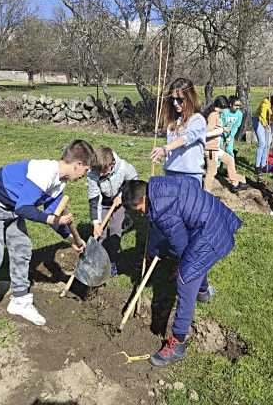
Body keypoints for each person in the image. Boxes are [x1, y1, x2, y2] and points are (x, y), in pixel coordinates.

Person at [0, 140, 96, 338]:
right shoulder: (44, 173)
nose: (84, 176)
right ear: (77, 164)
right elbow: (25, 209)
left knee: (22, 249)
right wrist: (53, 218)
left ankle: (20, 301)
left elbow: (53, 214)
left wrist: (71, 239)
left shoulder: (59, 182)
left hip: (11, 207)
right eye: (85, 171)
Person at [122, 177, 242, 367]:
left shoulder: (162, 210)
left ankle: (177, 343)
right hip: (213, 215)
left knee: (186, 278)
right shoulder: (160, 186)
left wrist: (180, 267)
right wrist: (153, 252)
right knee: (196, 263)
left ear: (143, 200)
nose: (142, 214)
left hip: (210, 231)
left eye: (140, 210)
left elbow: (181, 244)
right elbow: (162, 229)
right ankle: (203, 293)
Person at [87, 147, 138, 276]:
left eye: (102, 172)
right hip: (103, 202)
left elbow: (133, 182)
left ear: (111, 165)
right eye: (97, 172)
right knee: (101, 234)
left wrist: (121, 196)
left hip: (119, 202)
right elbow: (94, 200)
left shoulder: (124, 167)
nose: (100, 175)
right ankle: (101, 262)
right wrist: (96, 223)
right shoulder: (93, 173)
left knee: (115, 230)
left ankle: (112, 261)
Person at [150, 77, 207, 185]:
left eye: (180, 99)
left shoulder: (198, 119)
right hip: (170, 173)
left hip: (190, 177)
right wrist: (161, 154)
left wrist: (165, 149)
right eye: (173, 99)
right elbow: (173, 147)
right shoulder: (173, 122)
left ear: (190, 98)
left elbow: (186, 138)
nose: (175, 103)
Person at [203, 96, 247, 193]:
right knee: (212, 172)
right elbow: (206, 134)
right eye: (224, 108)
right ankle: (206, 192)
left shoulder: (217, 114)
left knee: (230, 160)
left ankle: (235, 183)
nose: (225, 110)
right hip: (210, 150)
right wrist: (222, 130)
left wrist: (227, 134)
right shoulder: (213, 116)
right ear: (218, 107)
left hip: (216, 149)